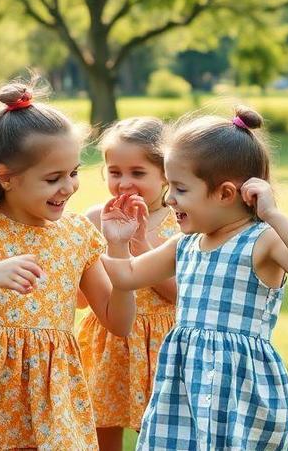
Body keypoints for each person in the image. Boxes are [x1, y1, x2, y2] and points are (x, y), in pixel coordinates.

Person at [102, 107, 288, 450]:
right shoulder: (183, 244)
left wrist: (274, 215)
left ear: (226, 194)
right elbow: (126, 277)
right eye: (170, 186)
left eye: (180, 189)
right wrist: (117, 240)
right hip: (186, 387)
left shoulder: (263, 240)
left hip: (242, 390)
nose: (169, 199)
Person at [0, 82, 137, 450]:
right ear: (5, 177)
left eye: (73, 173)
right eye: (52, 179)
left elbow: (119, 322)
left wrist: (119, 248)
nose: (68, 188)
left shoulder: (77, 234)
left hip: (54, 395)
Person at [76, 117, 179, 450]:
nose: (124, 183)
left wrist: (139, 247)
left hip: (160, 340)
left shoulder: (180, 220)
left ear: (165, 174)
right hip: (107, 337)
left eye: (138, 173)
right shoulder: (95, 219)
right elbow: (79, 299)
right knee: (101, 426)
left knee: (161, 430)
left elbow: (179, 294)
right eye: (115, 172)